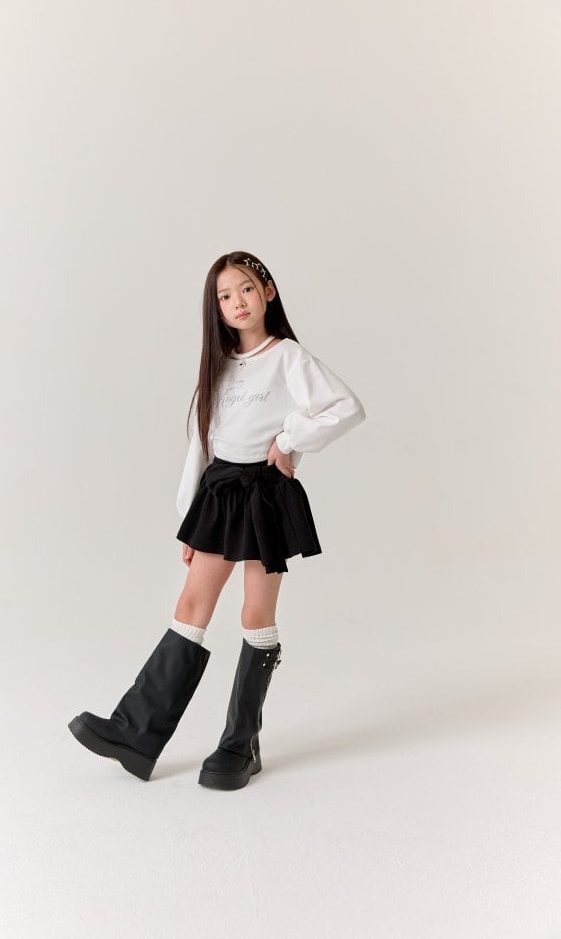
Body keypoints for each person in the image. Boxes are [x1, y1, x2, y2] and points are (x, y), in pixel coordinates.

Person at [68, 251, 366, 791]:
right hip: (219, 493)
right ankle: (135, 733)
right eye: (225, 296)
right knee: (190, 607)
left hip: (264, 497)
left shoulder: (288, 357)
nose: (237, 302)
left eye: (246, 289)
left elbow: (345, 407)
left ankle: (240, 743)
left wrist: (289, 439)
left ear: (267, 292)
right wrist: (191, 519)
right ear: (216, 307)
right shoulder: (219, 366)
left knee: (255, 613)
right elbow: (201, 443)